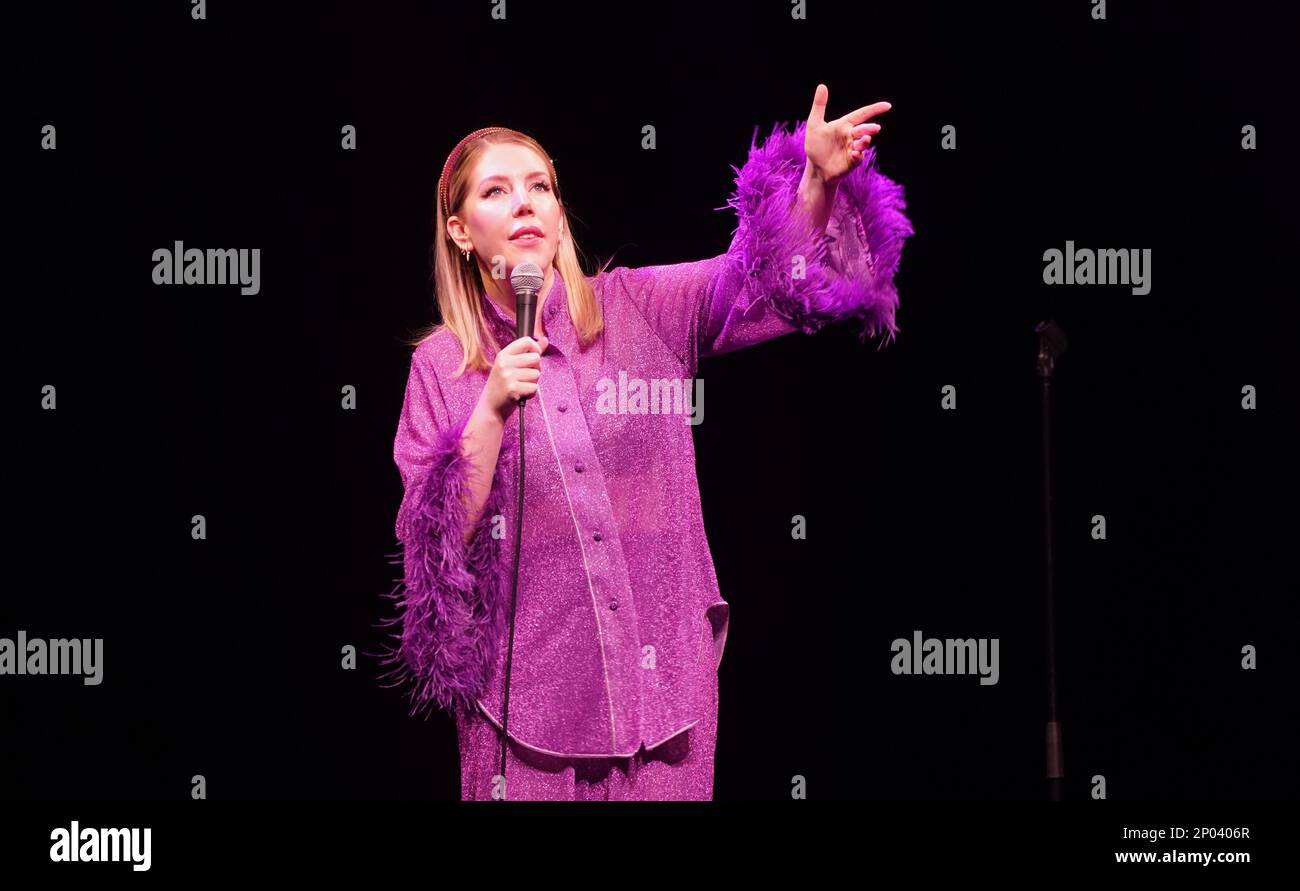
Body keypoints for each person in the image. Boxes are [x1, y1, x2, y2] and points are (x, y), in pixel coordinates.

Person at [377, 84, 913, 800]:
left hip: (660, 701)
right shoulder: (442, 366)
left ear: (561, 215)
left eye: (540, 186)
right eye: (498, 191)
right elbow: (433, 539)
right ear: (460, 231)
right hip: (522, 717)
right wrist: (492, 407)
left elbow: (757, 281)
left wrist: (814, 183)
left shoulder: (639, 309)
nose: (526, 202)